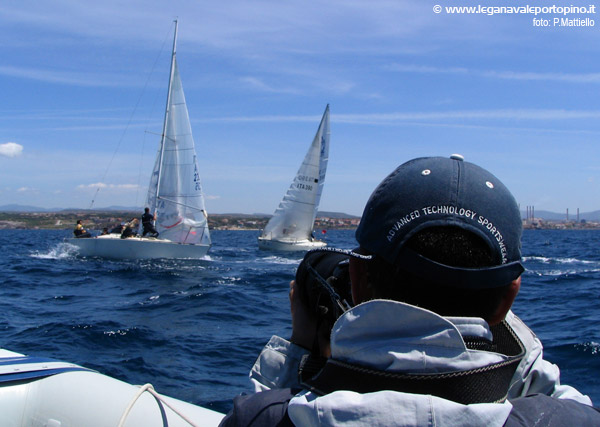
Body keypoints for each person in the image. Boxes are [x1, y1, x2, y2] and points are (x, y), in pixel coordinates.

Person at [220, 155, 599, 426]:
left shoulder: (258, 418)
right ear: (508, 299)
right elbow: (550, 391)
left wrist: (299, 351)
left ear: (357, 278)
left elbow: (262, 412)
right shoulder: (566, 419)